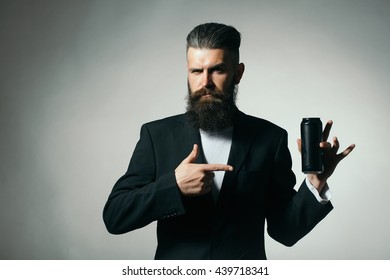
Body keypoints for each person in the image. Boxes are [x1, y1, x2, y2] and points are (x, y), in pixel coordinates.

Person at [103, 22, 355, 260]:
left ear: (238, 72)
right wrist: (174, 186)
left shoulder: (270, 138)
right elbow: (115, 217)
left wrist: (315, 182)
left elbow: (285, 232)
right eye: (196, 71)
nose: (205, 83)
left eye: (217, 70)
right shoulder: (157, 135)